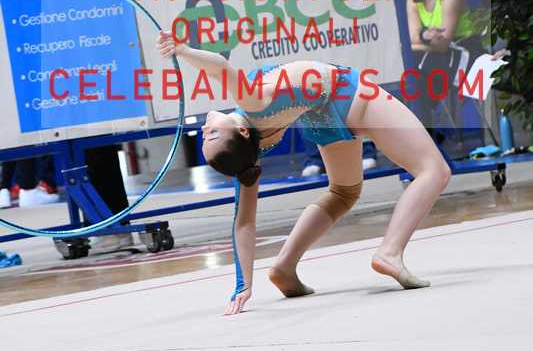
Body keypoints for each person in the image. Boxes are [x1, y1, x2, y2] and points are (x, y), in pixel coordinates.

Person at [158, 35, 451, 316]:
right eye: (212, 135)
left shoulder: (251, 152)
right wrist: (183, 51)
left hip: (318, 115)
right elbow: (221, 67)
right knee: (434, 170)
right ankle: (390, 252)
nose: (204, 130)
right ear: (242, 132)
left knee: (343, 193)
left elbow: (244, 222)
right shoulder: (252, 102)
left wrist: (243, 284)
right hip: (347, 94)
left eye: (206, 136)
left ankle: (284, 265)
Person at [406, 0, 482, 136]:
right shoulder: (412, 0)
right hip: (437, 56)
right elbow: (414, 38)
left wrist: (417, 43)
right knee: (415, 79)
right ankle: (425, 135)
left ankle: (443, 134)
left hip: (467, 52)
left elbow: (441, 45)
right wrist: (425, 37)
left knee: (423, 74)